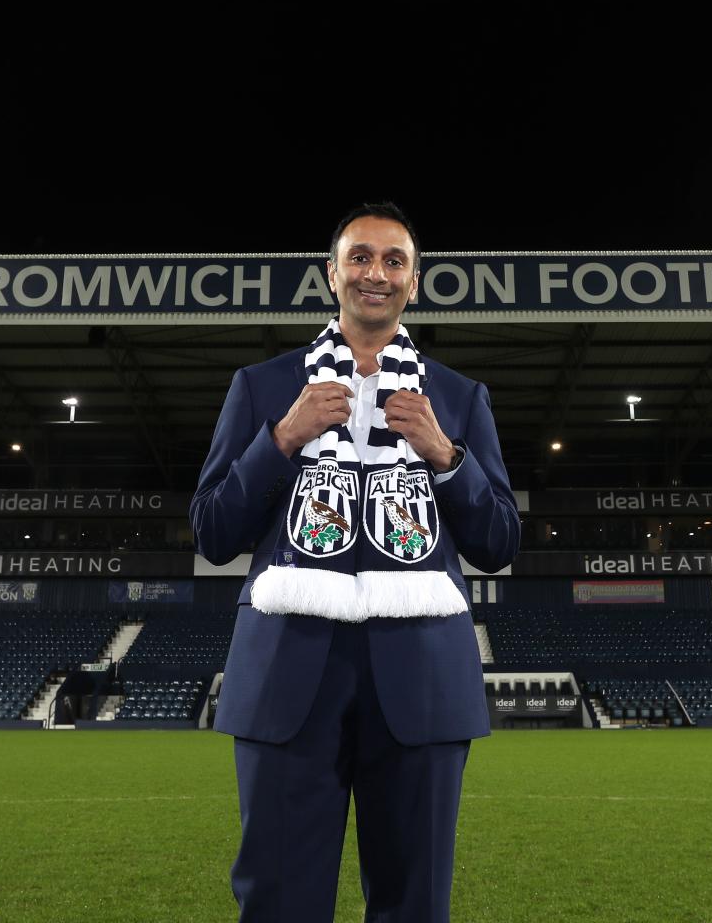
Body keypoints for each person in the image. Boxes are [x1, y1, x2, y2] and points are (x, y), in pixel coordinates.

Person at [191, 202, 519, 922]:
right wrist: (280, 439)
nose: (377, 273)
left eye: (394, 261)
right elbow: (213, 532)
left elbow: (499, 543)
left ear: (415, 281)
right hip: (287, 673)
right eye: (362, 257)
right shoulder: (264, 387)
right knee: (278, 901)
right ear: (332, 273)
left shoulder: (459, 399)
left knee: (415, 904)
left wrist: (446, 457)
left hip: (423, 676)